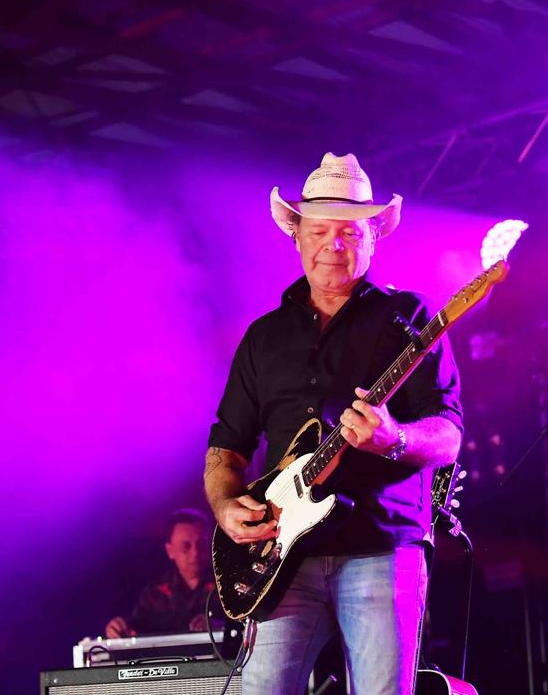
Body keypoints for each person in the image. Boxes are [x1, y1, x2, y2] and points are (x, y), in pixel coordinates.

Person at [204, 153, 463, 695]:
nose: (333, 245)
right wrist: (227, 506)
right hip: (279, 556)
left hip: (380, 548)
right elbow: (226, 449)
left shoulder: (410, 319)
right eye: (319, 230)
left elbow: (449, 433)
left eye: (349, 232)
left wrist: (394, 440)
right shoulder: (263, 338)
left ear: (373, 239)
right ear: (296, 237)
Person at [105, 509, 215, 638]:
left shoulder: (226, 586)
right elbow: (135, 626)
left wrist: (217, 625)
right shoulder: (156, 592)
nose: (195, 553)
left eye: (201, 544)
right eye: (186, 546)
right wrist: (116, 628)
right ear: (170, 551)